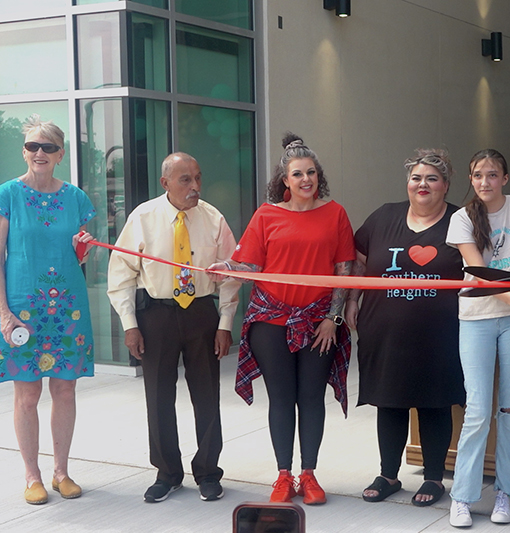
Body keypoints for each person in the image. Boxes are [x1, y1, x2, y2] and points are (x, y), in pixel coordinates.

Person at [215, 133, 354, 506]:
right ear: (285, 180)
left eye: (311, 173)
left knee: (311, 398)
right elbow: (248, 263)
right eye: (297, 174)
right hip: (271, 320)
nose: (305, 179)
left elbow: (344, 270)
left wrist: (333, 319)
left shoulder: (335, 213)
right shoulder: (267, 214)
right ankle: (283, 475)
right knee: (280, 398)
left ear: (318, 176)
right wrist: (224, 268)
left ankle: (309, 475)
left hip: (318, 323)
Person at [107, 152, 239, 503]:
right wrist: (130, 325)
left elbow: (231, 274)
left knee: (207, 394)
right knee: (158, 396)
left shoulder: (213, 218)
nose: (194, 186)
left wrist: (225, 323)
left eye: (198, 178)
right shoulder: (143, 218)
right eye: (185, 180)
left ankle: (208, 472)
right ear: (165, 183)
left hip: (200, 314)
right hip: (157, 316)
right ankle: (167, 472)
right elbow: (120, 274)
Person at [345, 149, 465, 507]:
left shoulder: (461, 220)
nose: (422, 184)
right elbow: (359, 262)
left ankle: (433, 477)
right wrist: (352, 300)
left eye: (431, 178)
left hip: (441, 334)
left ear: (445, 185)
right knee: (389, 401)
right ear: (407, 182)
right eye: (416, 177)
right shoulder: (385, 215)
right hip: (385, 330)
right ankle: (388, 474)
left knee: (435, 403)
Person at [445, 149, 510, 527]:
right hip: (477, 317)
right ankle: (463, 496)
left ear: (505, 178)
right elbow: (481, 273)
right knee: (477, 410)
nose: (484, 182)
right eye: (477, 176)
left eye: (492, 175)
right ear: (471, 180)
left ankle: (505, 491)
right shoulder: (461, 218)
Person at [0, 116, 96, 505]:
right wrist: (3, 312)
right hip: (23, 308)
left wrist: (84, 245)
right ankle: (32, 475)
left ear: (60, 154)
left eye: (48, 147)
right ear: (24, 152)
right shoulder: (7, 194)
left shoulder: (76, 198)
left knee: (66, 390)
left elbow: (82, 257)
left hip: (68, 308)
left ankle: (61, 471)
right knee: (27, 394)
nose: (39, 153)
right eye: (32, 146)